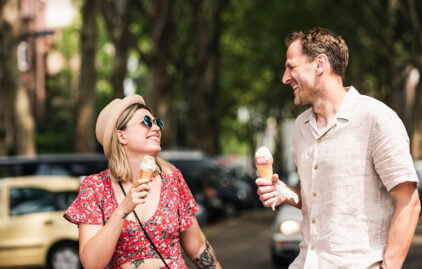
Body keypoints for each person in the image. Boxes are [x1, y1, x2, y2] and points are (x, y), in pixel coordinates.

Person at [256, 27, 421, 269]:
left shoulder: (376, 119)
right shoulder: (301, 126)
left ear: (319, 64)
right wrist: (286, 192)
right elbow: (321, 198)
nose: (285, 77)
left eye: (291, 67)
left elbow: (409, 203)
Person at [64, 94, 222, 269]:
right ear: (121, 136)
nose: (155, 128)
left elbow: (198, 248)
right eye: (146, 121)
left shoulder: (172, 178)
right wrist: (123, 210)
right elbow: (92, 264)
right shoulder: (95, 187)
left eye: (157, 122)